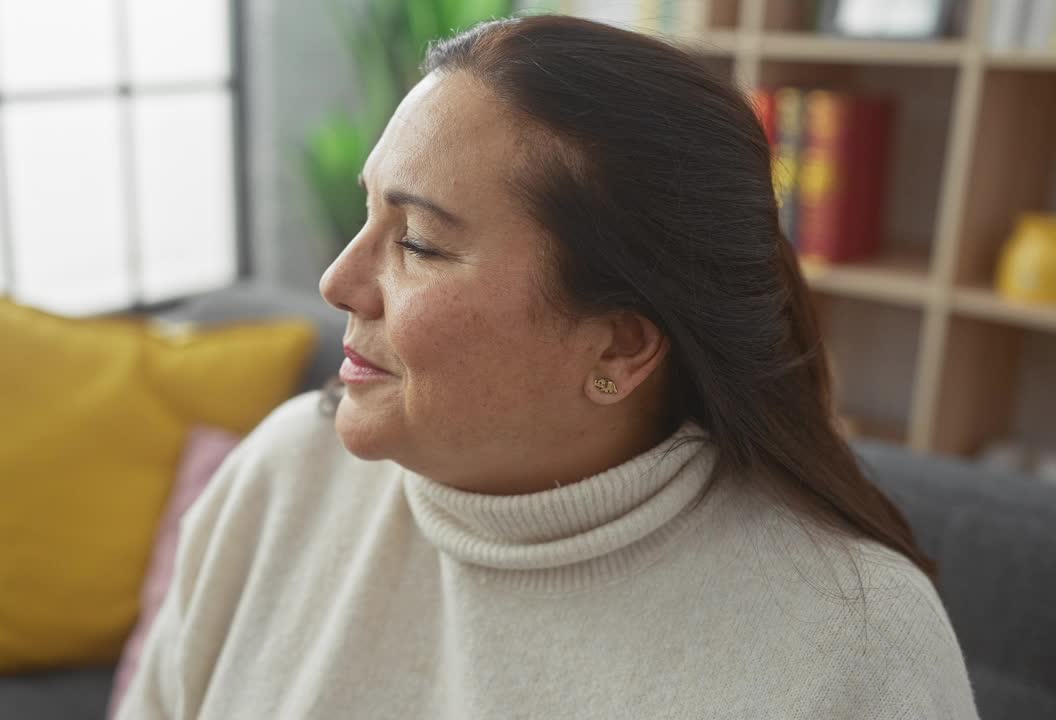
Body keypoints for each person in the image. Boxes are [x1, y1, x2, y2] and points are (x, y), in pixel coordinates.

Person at [118, 14, 977, 719]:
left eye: (416, 242)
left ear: (618, 347)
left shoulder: (853, 651)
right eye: (367, 211)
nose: (337, 280)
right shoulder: (283, 477)